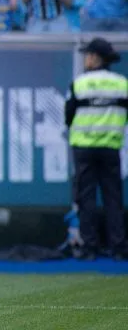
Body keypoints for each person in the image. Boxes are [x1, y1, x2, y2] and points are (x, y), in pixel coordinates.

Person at [65, 38, 128, 261]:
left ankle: (89, 248)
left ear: (95, 57)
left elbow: (68, 116)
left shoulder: (80, 83)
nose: (85, 59)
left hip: (84, 148)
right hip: (110, 147)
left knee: (86, 199)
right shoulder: (122, 84)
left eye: (88, 55)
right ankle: (118, 248)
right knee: (113, 199)